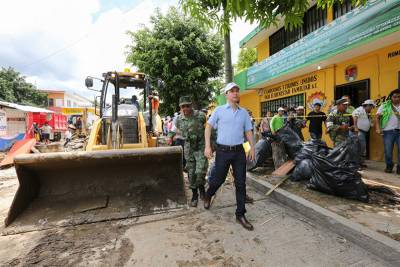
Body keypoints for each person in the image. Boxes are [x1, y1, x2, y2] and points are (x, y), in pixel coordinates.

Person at [204, 82, 255, 231]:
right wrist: (208, 146)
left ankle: (240, 214)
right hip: (222, 151)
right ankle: (209, 194)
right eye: (232, 91)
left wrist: (252, 147)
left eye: (237, 91)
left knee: (240, 183)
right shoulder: (219, 111)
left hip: (238, 151)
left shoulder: (244, 112)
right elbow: (208, 128)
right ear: (226, 94)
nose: (235, 93)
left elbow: (248, 131)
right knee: (218, 179)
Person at [168, 96, 207, 207]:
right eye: (183, 106)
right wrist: (170, 137)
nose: (185, 108)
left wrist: (211, 144)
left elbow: (209, 129)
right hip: (189, 147)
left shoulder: (200, 116)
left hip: (200, 146)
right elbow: (173, 130)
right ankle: (195, 195)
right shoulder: (179, 119)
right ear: (180, 107)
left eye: (187, 106)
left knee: (200, 171)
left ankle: (202, 189)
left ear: (191, 105)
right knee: (191, 172)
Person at [376, 89, 400, 174]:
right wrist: (378, 127)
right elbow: (378, 117)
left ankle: (399, 168)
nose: (397, 98)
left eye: (398, 97)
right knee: (388, 151)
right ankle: (389, 165)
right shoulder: (384, 105)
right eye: (395, 97)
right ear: (391, 97)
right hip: (388, 131)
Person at [352, 99, 375, 168]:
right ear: (367, 105)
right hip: (359, 131)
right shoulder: (360, 109)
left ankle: (360, 163)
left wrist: (371, 123)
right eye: (371, 106)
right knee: (360, 148)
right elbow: (355, 117)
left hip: (364, 132)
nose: (372, 108)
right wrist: (355, 127)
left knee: (362, 148)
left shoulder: (367, 112)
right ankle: (357, 164)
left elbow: (370, 123)